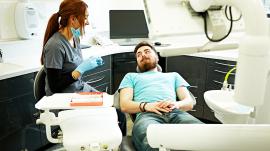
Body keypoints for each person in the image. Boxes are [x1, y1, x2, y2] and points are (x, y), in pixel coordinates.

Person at [40, 0, 126, 136]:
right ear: (73, 19)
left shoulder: (75, 37)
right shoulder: (55, 46)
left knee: (117, 110)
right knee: (112, 118)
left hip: (79, 91)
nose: (87, 22)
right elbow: (55, 86)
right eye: (85, 17)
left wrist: (87, 63)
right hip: (66, 99)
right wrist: (79, 70)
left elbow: (71, 62)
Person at [119, 41, 203, 150]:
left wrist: (176, 104)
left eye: (147, 51)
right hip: (147, 116)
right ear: (137, 62)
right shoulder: (131, 77)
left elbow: (189, 102)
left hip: (176, 113)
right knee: (151, 143)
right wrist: (148, 106)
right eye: (138, 55)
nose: (143, 55)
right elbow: (125, 105)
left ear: (157, 57)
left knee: (203, 136)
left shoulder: (173, 76)